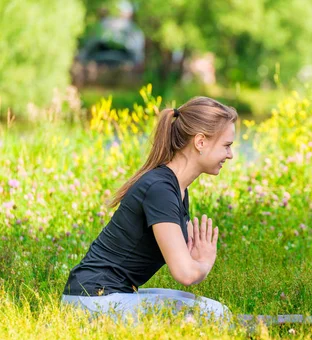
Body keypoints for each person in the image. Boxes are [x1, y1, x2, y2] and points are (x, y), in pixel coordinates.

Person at [62, 97, 237, 323]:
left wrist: (192, 261)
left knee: (200, 305)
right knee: (215, 314)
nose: (230, 155)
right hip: (93, 300)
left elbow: (183, 265)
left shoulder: (175, 188)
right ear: (200, 142)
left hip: (103, 297)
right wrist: (202, 264)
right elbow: (184, 274)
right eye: (227, 145)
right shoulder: (160, 189)